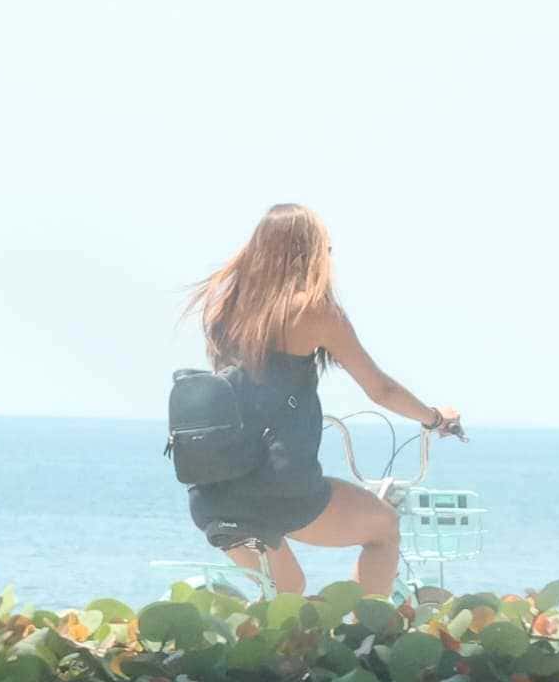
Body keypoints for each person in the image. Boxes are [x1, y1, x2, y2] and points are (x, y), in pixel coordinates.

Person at [183, 203, 462, 597]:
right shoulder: (313, 310)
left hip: (213, 492)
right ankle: (364, 642)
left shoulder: (225, 307)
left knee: (288, 593)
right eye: (325, 249)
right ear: (306, 253)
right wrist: (434, 417)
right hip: (278, 490)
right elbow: (380, 388)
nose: (329, 258)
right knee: (383, 527)